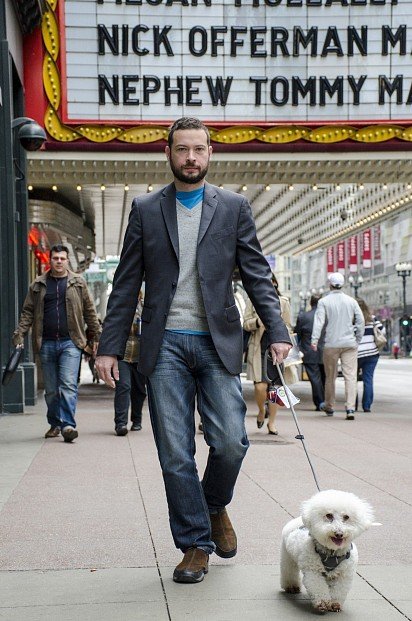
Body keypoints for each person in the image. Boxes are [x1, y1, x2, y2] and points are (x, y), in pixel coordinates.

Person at [95, 116, 292, 584]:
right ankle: (194, 545)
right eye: (182, 150)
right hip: (163, 345)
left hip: (217, 341)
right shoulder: (145, 209)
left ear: (210, 153)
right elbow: (125, 284)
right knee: (175, 451)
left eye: (198, 150)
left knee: (230, 441)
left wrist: (279, 329)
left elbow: (256, 274)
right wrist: (108, 347)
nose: (190, 158)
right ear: (168, 153)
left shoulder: (233, 207)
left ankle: (213, 504)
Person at [13, 244, 101, 442]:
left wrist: (95, 336)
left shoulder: (78, 282)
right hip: (47, 343)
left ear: (67, 260)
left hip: (71, 342)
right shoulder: (38, 284)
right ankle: (54, 423)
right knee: (51, 390)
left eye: (62, 258)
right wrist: (20, 333)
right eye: (55, 258)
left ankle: (68, 425)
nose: (59, 261)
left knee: (68, 385)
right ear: (49, 260)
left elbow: (89, 311)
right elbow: (27, 312)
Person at [243, 275, 295, 435]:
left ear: (274, 284)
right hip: (258, 347)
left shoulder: (283, 302)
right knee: (260, 387)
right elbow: (245, 324)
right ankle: (260, 411)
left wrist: (278, 325)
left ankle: (272, 422)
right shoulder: (252, 301)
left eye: (270, 282)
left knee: (275, 388)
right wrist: (258, 322)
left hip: (276, 349)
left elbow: (289, 326)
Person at [311, 272, 364, 420]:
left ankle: (330, 406)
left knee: (330, 377)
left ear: (330, 284)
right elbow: (360, 321)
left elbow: (319, 321)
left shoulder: (324, 302)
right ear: (343, 284)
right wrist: (357, 338)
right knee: (350, 377)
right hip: (349, 343)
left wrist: (314, 340)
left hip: (331, 343)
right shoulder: (351, 301)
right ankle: (350, 408)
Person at [114, 294, 147, 436]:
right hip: (123, 355)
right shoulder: (121, 309)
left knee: (139, 390)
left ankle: (137, 420)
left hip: (141, 355)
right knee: (124, 386)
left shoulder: (145, 308)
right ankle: (120, 423)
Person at [295, 294, 325, 411]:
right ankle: (324, 400)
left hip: (309, 351)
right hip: (325, 350)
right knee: (325, 377)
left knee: (315, 378)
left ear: (310, 303)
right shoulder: (326, 316)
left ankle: (319, 402)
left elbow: (297, 333)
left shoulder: (303, 317)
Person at [356, 298, 384, 412]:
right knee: (368, 379)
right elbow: (382, 330)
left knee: (352, 380)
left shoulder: (353, 320)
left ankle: (352, 405)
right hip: (372, 353)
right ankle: (366, 406)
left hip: (357, 354)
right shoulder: (372, 319)